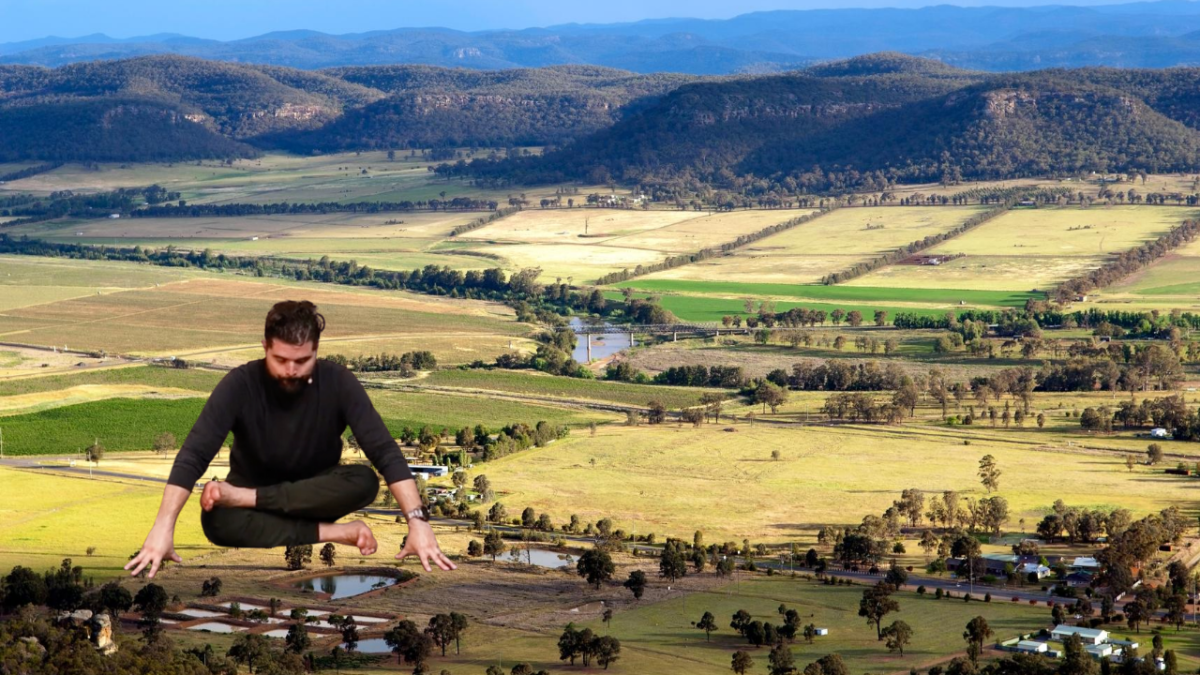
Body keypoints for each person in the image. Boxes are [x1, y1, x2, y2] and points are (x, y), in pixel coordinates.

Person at [126, 300, 456, 579]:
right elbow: (193, 455)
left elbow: (384, 451)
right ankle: (337, 533)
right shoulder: (239, 384)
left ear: (316, 351)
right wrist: (163, 528)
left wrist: (418, 521)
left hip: (310, 493)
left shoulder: (339, 382)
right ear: (265, 347)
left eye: (302, 361)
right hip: (252, 494)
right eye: (280, 360)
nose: (291, 370)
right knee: (215, 522)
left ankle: (247, 499)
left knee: (365, 481)